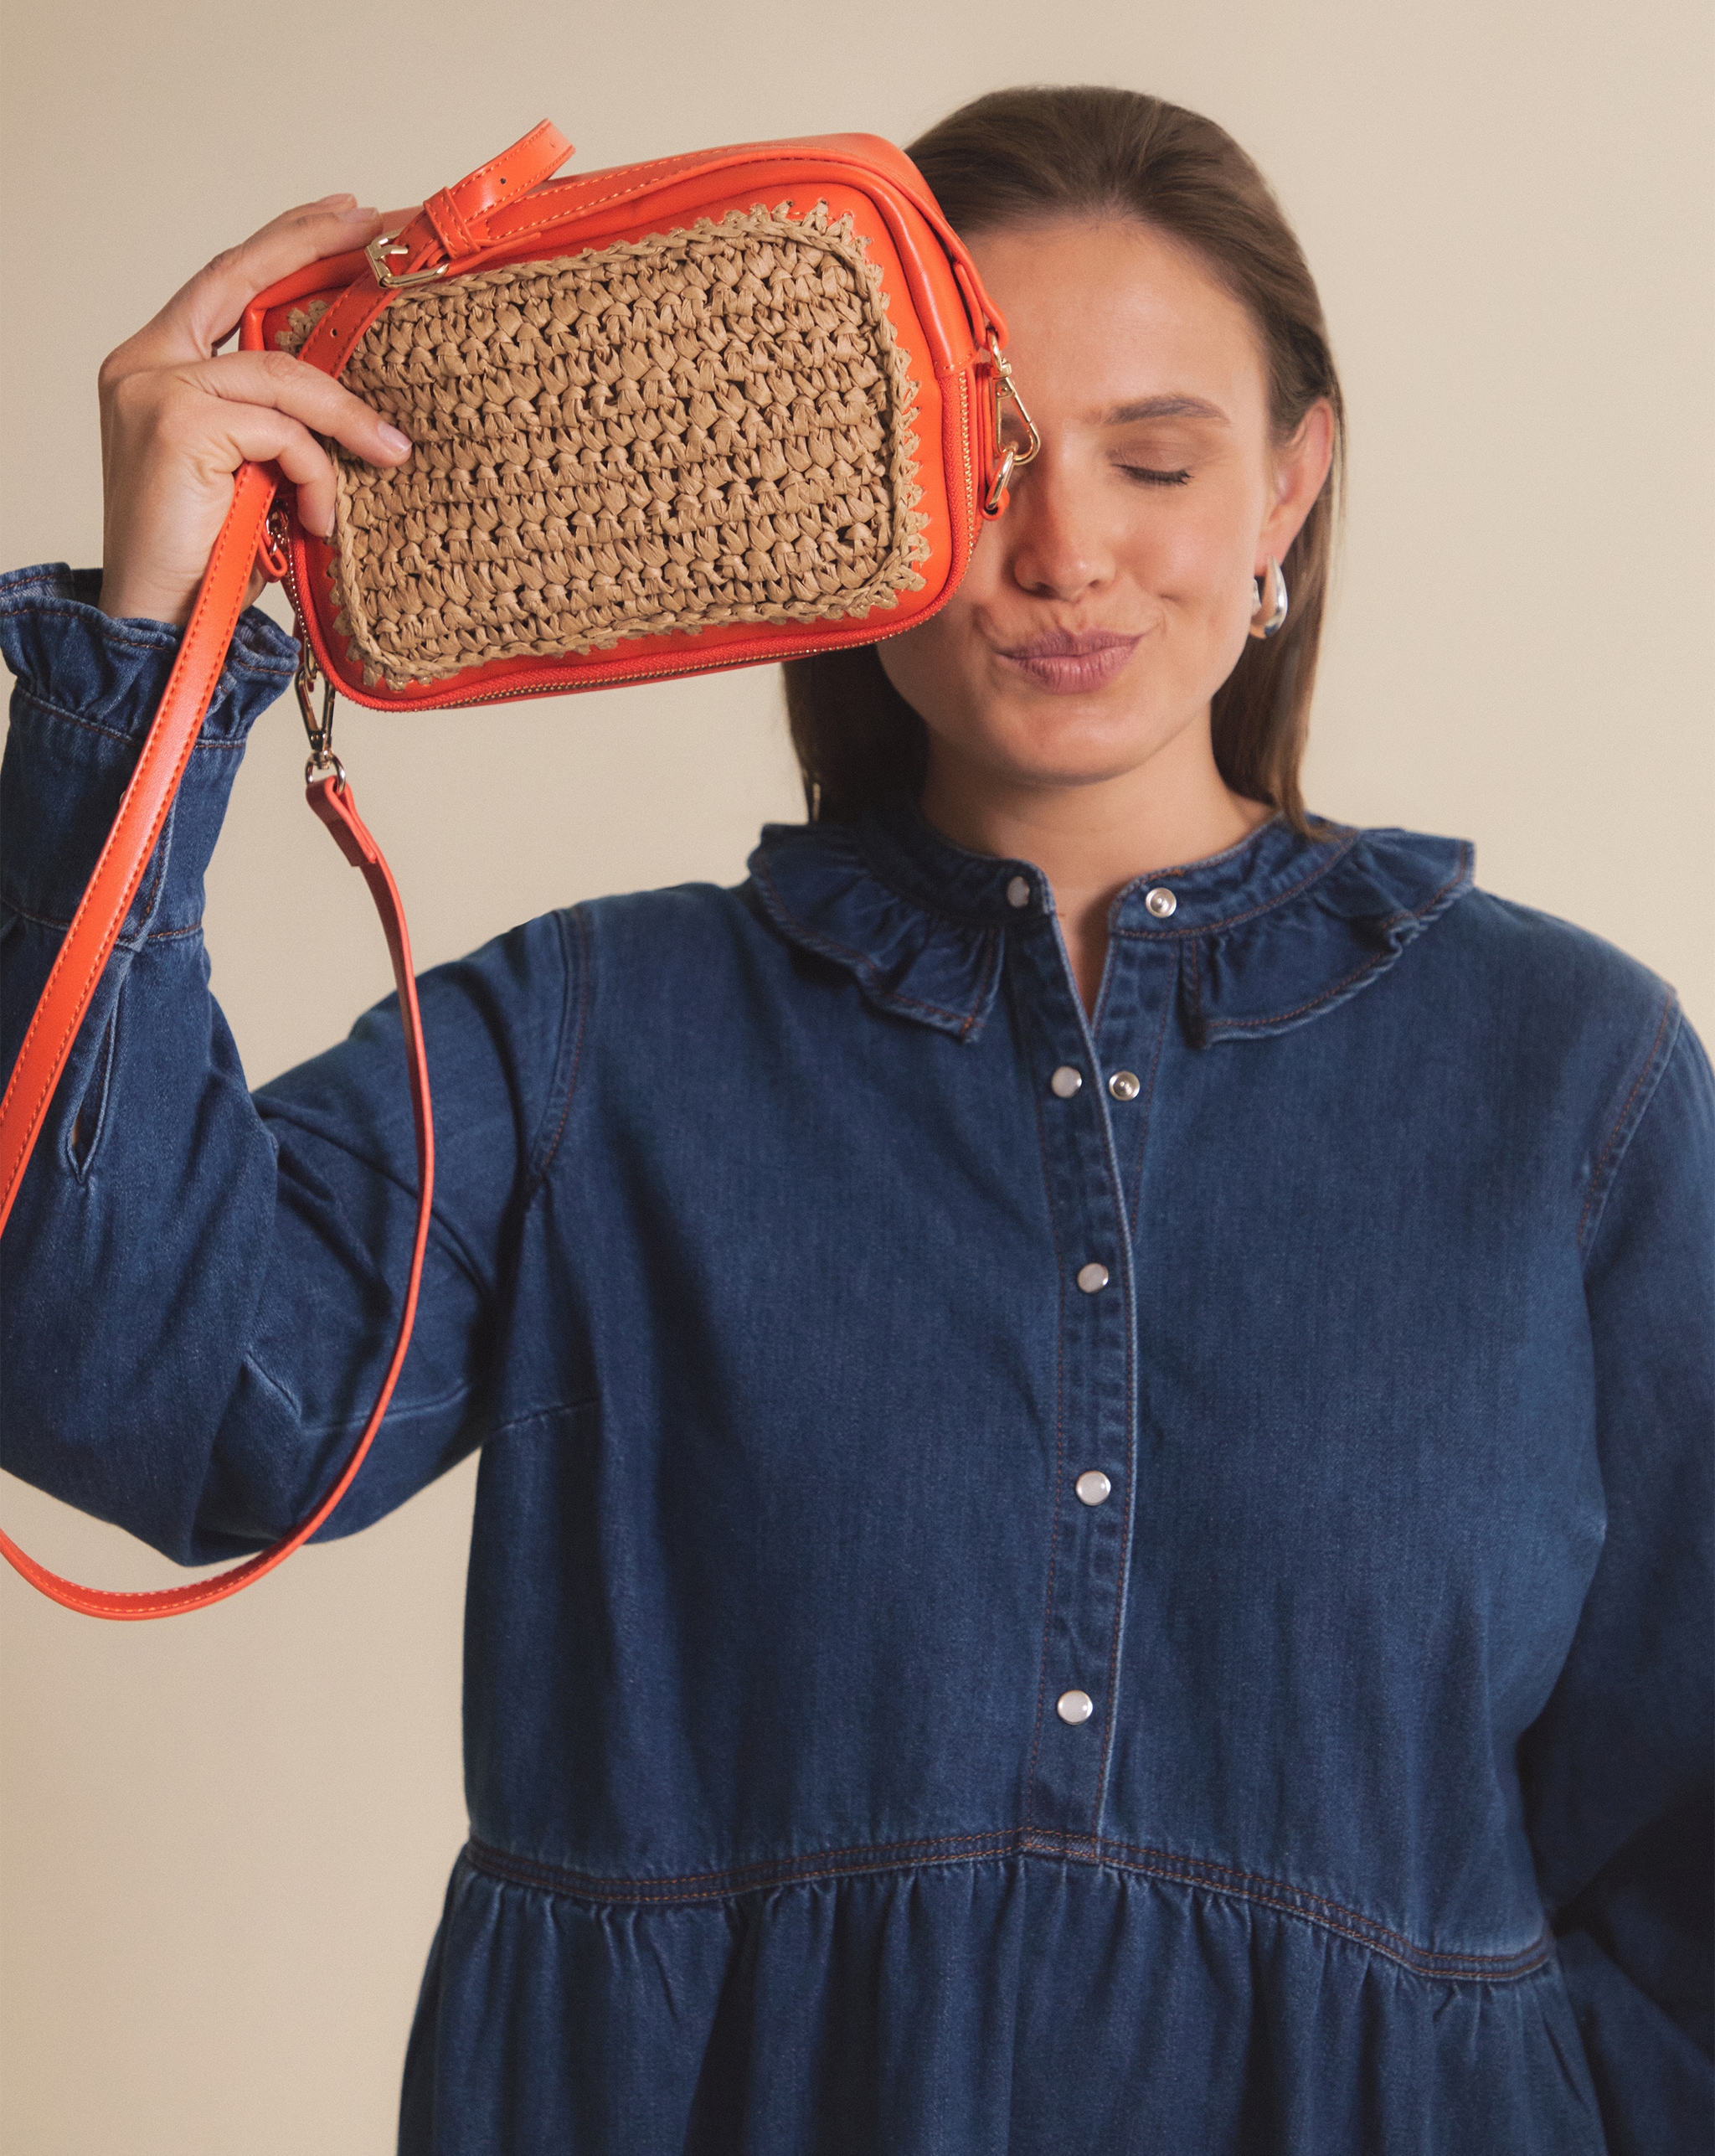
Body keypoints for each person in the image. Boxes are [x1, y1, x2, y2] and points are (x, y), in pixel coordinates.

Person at [2, 83, 1709, 2156]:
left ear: (1289, 486)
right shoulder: (596, 1038)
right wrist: (145, 657)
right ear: (844, 482)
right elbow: (147, 1396)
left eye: (1155, 458)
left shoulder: (1571, 1073)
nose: (1064, 550)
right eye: (977, 461)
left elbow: (1683, 1834)